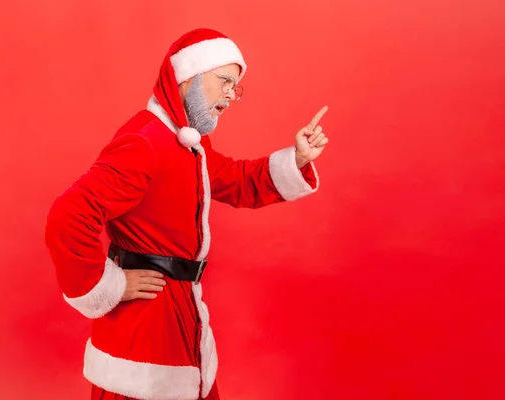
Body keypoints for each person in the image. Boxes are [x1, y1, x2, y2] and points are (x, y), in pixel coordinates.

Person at [44, 28, 329, 400]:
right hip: (147, 321)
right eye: (225, 80)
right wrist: (107, 286)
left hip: (182, 313)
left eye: (236, 86)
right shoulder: (145, 141)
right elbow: (69, 215)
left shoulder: (188, 141)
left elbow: (234, 180)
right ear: (187, 77)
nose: (231, 94)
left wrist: (297, 160)